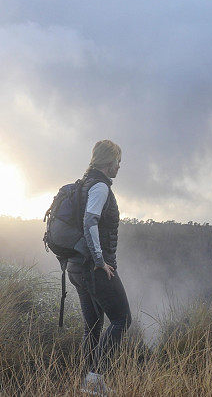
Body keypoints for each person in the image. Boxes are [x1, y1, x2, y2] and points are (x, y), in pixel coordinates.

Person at [66, 140, 131, 395]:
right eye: (117, 161)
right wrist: (100, 260)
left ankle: (87, 382)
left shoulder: (83, 185)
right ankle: (94, 379)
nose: (119, 166)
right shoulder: (101, 187)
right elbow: (90, 222)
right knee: (122, 319)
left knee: (92, 326)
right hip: (94, 269)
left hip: (76, 266)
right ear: (108, 162)